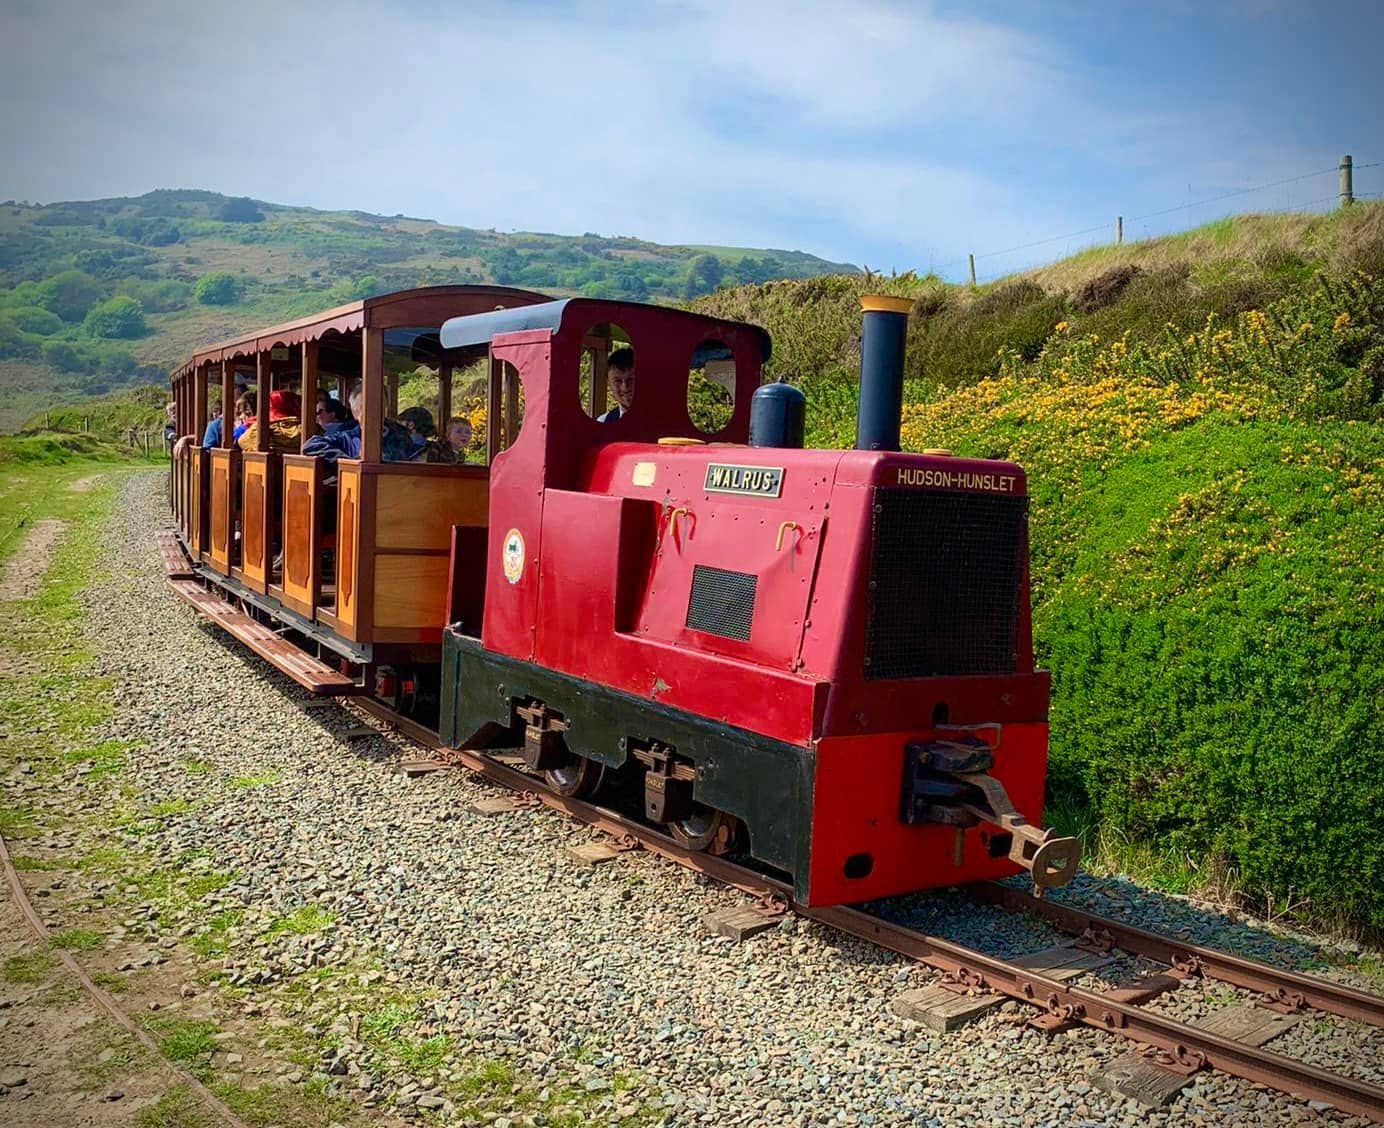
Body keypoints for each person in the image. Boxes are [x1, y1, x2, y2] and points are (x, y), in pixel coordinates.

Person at [302, 398, 360, 463]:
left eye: (319, 412)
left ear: (332, 414)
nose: (316, 417)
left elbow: (310, 445)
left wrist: (348, 464)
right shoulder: (347, 435)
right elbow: (311, 444)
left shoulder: (336, 431)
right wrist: (348, 463)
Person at [599, 347, 635, 423]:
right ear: (609, 383)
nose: (625, 388)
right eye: (617, 381)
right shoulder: (603, 421)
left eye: (631, 379)